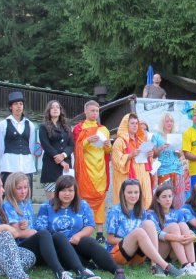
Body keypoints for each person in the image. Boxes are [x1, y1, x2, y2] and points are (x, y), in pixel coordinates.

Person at [1, 173, 86, 279]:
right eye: (19, 188)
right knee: (44, 234)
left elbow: (26, 227)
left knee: (58, 236)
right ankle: (60, 274)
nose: (23, 191)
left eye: (25, 187)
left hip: (32, 244)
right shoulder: (8, 205)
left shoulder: (26, 203)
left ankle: (81, 270)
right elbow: (16, 233)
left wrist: (26, 226)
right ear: (11, 189)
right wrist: (32, 232)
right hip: (19, 249)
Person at [35, 174, 126, 279]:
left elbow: (90, 226)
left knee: (89, 241)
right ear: (57, 191)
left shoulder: (82, 205)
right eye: (63, 190)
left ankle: (117, 270)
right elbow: (41, 231)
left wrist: (78, 235)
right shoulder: (46, 207)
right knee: (64, 248)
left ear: (75, 191)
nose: (67, 194)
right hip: (57, 248)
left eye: (70, 190)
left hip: (76, 243)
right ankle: (86, 267)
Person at [105, 179, 183, 277]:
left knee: (149, 223)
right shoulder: (115, 211)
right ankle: (166, 266)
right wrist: (132, 240)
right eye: (129, 192)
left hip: (137, 256)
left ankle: (154, 265)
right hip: (117, 254)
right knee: (139, 232)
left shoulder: (142, 211)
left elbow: (155, 232)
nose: (133, 195)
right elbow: (110, 239)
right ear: (123, 193)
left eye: (136, 192)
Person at [72, 100, 112, 240]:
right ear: (85, 111)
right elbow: (76, 148)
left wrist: (108, 145)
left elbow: (108, 151)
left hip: (100, 170)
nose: (95, 113)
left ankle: (100, 233)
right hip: (86, 170)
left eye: (97, 111)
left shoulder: (104, 129)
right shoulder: (79, 128)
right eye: (92, 111)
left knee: (100, 200)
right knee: (84, 200)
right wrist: (87, 140)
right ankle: (83, 229)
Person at [149, 183, 196, 275]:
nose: (168, 199)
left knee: (182, 225)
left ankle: (192, 264)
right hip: (160, 250)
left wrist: (193, 237)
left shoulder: (177, 213)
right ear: (158, 199)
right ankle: (184, 265)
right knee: (174, 226)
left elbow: (186, 230)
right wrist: (176, 237)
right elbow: (157, 234)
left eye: (170, 196)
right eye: (164, 197)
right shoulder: (151, 214)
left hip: (174, 251)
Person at [0, 91, 37, 191]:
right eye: (16, 104)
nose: (19, 106)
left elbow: (31, 146)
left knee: (26, 194)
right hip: (9, 165)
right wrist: (6, 159)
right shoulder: (3, 124)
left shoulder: (30, 125)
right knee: (8, 192)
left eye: (21, 104)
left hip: (26, 166)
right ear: (10, 107)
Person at [111, 113, 154, 208]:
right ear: (126, 125)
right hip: (129, 178)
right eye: (132, 123)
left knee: (146, 201)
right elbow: (116, 162)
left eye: (136, 123)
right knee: (129, 205)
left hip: (144, 176)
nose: (135, 125)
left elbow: (149, 162)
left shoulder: (141, 140)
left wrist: (150, 155)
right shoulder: (119, 142)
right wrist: (130, 155)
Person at [39, 100, 74, 201]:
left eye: (57, 107)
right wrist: (59, 159)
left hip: (66, 167)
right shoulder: (43, 127)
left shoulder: (67, 127)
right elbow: (46, 145)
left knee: (66, 197)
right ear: (48, 110)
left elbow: (71, 145)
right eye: (52, 107)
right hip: (51, 166)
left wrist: (63, 155)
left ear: (60, 110)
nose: (55, 109)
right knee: (52, 201)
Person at [153, 113, 185, 209]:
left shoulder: (176, 136)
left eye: (171, 121)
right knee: (165, 197)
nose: (169, 123)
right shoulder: (156, 136)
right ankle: (165, 216)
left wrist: (178, 152)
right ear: (162, 123)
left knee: (179, 198)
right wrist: (161, 148)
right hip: (164, 170)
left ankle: (178, 216)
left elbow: (181, 155)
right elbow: (154, 155)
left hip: (177, 170)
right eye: (167, 121)